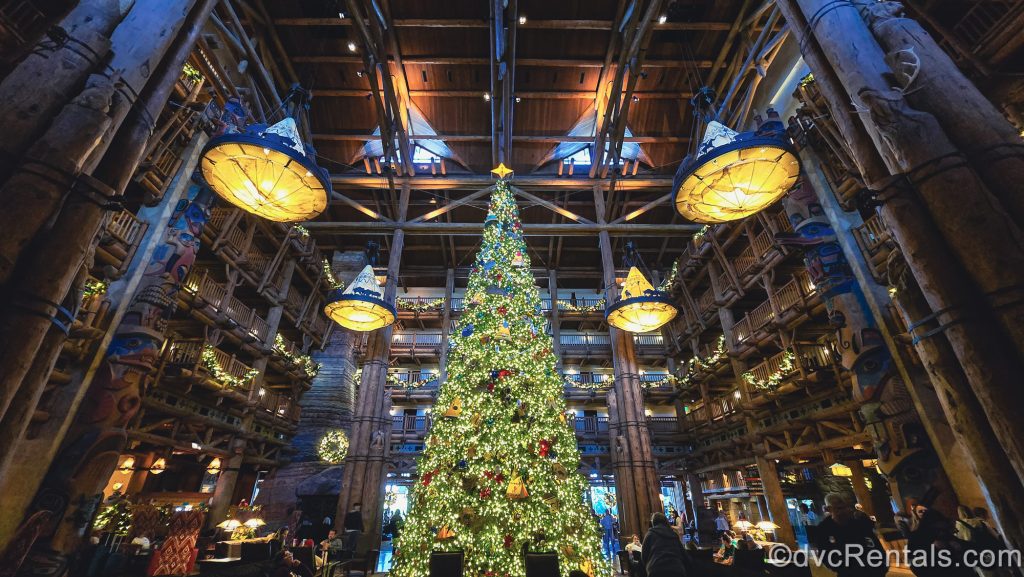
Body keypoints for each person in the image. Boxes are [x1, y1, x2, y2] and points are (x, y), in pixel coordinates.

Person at [811, 492, 887, 577]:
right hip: (848, 572)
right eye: (838, 508)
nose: (843, 511)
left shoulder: (859, 522)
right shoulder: (824, 529)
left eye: (844, 507)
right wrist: (840, 567)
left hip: (872, 571)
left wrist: (882, 566)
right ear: (829, 509)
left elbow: (874, 543)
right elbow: (824, 553)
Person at [642, 512, 692, 577]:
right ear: (665, 521)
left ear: (653, 522)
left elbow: (643, 556)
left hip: (655, 570)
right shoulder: (673, 534)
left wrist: (649, 566)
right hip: (676, 569)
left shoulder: (650, 534)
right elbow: (684, 554)